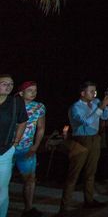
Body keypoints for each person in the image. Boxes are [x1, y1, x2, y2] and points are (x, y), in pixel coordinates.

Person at [55, 81, 108, 216]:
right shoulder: (75, 107)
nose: (94, 94)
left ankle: (89, 200)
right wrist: (101, 107)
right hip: (80, 141)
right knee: (73, 174)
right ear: (82, 93)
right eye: (91, 91)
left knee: (91, 173)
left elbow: (104, 116)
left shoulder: (96, 102)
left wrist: (107, 107)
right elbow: (87, 121)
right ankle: (64, 207)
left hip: (94, 138)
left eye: (95, 91)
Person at [14, 81, 46, 217]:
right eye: (30, 90)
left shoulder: (39, 107)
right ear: (21, 93)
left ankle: (28, 209)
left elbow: (41, 128)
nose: (33, 93)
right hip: (7, 148)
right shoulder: (11, 105)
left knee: (30, 179)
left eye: (35, 90)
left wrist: (35, 146)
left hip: (26, 148)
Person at [0, 75, 27, 217]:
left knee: (2, 189)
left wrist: (16, 141)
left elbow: (22, 121)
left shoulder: (16, 102)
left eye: (11, 84)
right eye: (4, 83)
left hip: (4, 151)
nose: (8, 86)